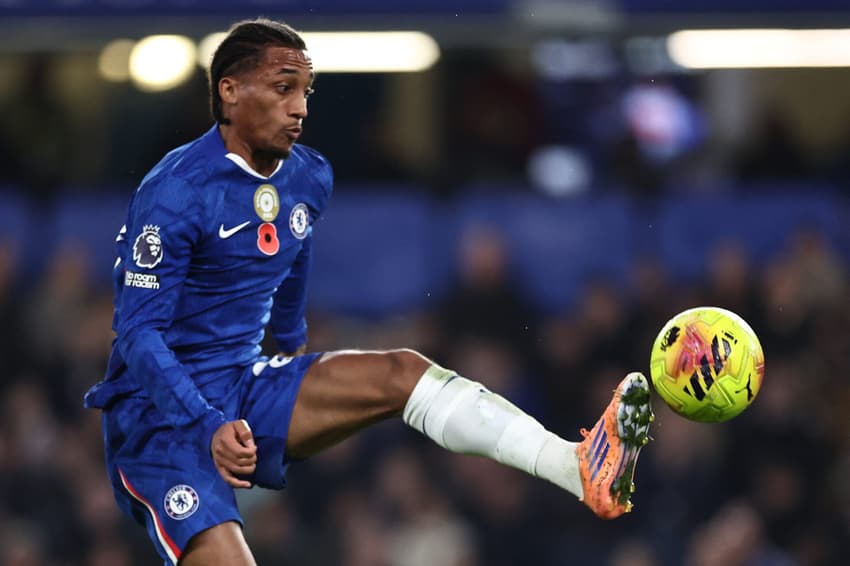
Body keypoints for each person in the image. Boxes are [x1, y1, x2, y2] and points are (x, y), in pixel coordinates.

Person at [83, 18, 654, 565]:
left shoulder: (307, 175)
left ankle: (578, 468)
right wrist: (207, 424)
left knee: (401, 373)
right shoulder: (175, 191)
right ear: (229, 92)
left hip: (243, 386)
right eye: (284, 89)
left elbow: (292, 247)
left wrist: (290, 346)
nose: (300, 108)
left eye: (306, 90)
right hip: (163, 421)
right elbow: (138, 334)